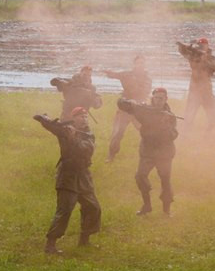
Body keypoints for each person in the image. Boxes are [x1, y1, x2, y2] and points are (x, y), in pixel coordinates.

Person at [34, 106, 101, 254]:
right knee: (64, 210)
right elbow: (53, 126)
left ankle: (85, 240)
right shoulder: (65, 130)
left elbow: (85, 149)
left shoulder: (88, 135)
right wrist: (42, 119)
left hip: (83, 175)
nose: (84, 119)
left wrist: (73, 138)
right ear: (74, 119)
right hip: (67, 175)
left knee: (93, 207)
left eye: (85, 117)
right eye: (80, 117)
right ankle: (50, 244)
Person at [117, 87, 178, 216]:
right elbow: (121, 104)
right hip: (148, 152)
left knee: (165, 180)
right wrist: (130, 102)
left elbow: (174, 135)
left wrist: (166, 126)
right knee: (140, 176)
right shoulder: (144, 110)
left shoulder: (170, 116)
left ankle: (166, 210)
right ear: (152, 98)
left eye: (161, 98)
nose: (158, 100)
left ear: (166, 99)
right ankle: (147, 205)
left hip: (164, 153)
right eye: (156, 98)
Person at [105, 55, 153, 162]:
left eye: (142, 63)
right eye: (138, 63)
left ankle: (148, 156)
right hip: (125, 108)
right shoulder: (127, 74)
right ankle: (111, 155)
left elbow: (145, 92)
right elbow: (115, 75)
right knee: (117, 133)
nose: (140, 65)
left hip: (139, 110)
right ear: (134, 64)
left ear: (144, 65)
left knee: (145, 132)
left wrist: (137, 99)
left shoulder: (147, 78)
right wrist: (109, 73)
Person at [177, 37, 215, 130]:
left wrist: (204, 58)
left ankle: (208, 132)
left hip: (206, 90)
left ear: (207, 46)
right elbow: (182, 51)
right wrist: (188, 47)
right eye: (200, 45)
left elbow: (213, 68)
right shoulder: (193, 55)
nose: (202, 47)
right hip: (195, 89)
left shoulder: (211, 57)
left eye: (204, 45)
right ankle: (185, 134)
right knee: (189, 115)